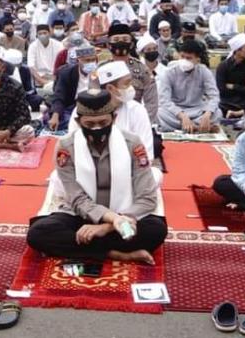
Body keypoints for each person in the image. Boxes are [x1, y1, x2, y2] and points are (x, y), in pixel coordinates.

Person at [26, 90, 166, 263]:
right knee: (39, 233)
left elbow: (147, 198)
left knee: (156, 230)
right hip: (81, 217)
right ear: (78, 122)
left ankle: (88, 251)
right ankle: (116, 254)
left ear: (114, 119)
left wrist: (108, 226)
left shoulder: (133, 143)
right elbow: (77, 198)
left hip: (124, 217)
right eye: (90, 124)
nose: (97, 129)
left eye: (103, 122)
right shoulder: (66, 146)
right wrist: (111, 218)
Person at [157, 39, 221, 132]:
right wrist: (182, 116)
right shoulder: (169, 72)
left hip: (197, 110)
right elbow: (164, 100)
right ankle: (197, 127)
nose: (184, 60)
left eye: (189, 58)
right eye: (182, 56)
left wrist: (207, 114)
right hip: (176, 111)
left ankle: (188, 127)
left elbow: (214, 96)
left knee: (217, 113)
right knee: (160, 113)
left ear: (197, 60)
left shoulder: (204, 72)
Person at [48, 46, 99, 130]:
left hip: (94, 108)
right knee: (57, 119)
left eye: (93, 60)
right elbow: (59, 95)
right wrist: (55, 116)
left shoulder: (99, 72)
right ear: (78, 60)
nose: (90, 63)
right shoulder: (66, 73)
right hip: (72, 106)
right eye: (87, 60)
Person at [216, 33, 245, 118]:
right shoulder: (223, 66)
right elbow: (222, 89)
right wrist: (243, 88)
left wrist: (233, 86)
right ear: (237, 50)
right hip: (227, 102)